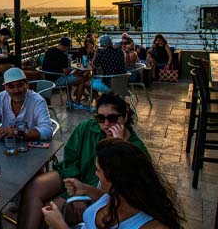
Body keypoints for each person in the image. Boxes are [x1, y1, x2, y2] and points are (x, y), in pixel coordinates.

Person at [17, 92, 149, 229]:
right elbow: (70, 158)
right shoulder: (87, 128)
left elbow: (125, 193)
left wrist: (119, 145)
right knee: (33, 187)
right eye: (100, 118)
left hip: (100, 195)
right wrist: (73, 184)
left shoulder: (136, 151)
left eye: (113, 118)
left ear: (125, 116)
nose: (106, 124)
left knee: (45, 211)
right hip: (75, 176)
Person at [42, 138, 185, 229]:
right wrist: (85, 189)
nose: (95, 174)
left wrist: (60, 226)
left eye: (98, 171)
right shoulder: (121, 196)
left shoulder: (152, 226)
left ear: (116, 179)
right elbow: (108, 197)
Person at [0, 67, 53, 140]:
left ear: (27, 84)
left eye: (20, 85)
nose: (16, 90)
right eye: (11, 87)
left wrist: (18, 134)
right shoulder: (1, 97)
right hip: (7, 146)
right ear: (6, 88)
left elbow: (47, 130)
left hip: (31, 147)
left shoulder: (38, 101)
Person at [41, 37, 88, 109]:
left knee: (71, 77)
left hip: (46, 78)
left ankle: (69, 100)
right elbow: (66, 72)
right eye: (68, 48)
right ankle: (77, 103)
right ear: (66, 47)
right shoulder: (63, 56)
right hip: (56, 80)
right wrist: (70, 65)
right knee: (82, 79)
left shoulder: (49, 51)